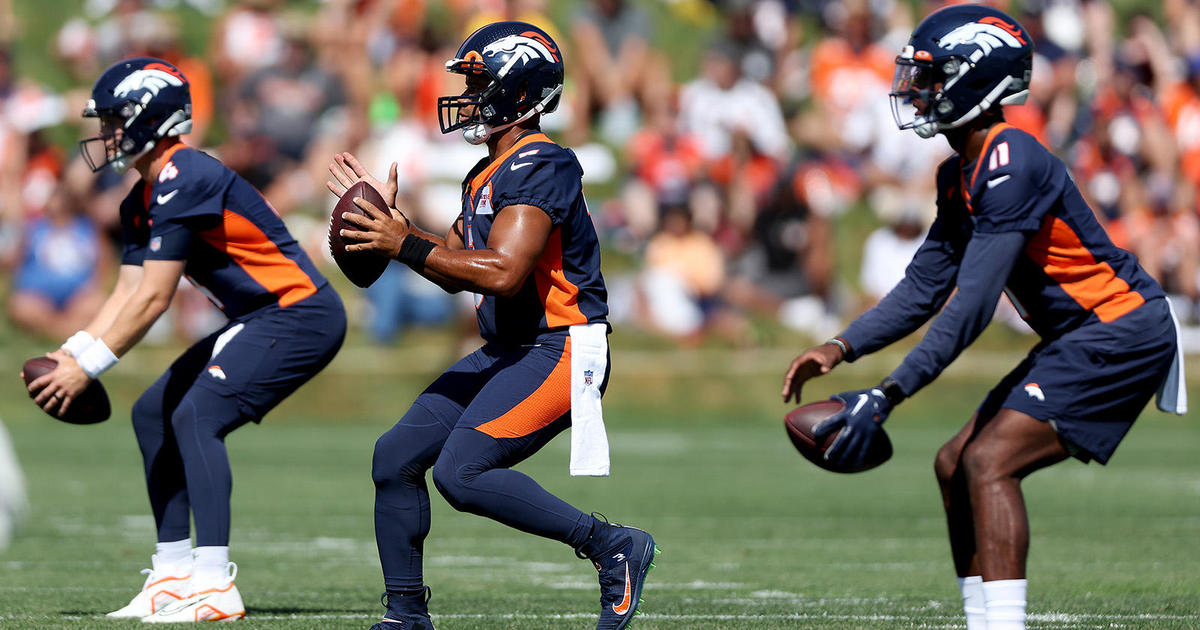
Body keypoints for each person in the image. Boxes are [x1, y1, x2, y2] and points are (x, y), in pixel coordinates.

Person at [781, 6, 1185, 630]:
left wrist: (889, 394)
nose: (917, 90)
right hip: (1081, 333)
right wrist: (840, 347)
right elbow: (923, 288)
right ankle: (982, 620)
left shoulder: (1010, 159)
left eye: (932, 76)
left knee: (988, 461)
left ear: (976, 79)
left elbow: (969, 307)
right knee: (954, 462)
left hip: (1120, 327)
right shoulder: (959, 174)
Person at [326, 22, 658, 630]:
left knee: (462, 472)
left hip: (562, 345)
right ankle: (405, 617)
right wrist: (392, 229)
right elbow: (454, 269)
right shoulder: (484, 173)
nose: (466, 96)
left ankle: (611, 544)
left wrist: (405, 244)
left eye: (479, 83)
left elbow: (503, 272)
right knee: (394, 456)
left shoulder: (542, 163)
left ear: (517, 91)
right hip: (511, 347)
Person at [24, 57, 346, 623]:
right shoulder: (139, 198)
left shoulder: (187, 173)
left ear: (151, 119)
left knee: (196, 416)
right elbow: (124, 292)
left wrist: (89, 366)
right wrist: (73, 351)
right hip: (259, 315)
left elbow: (154, 297)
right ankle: (172, 575)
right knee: (154, 413)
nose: (105, 135)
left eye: (115, 120)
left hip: (298, 312)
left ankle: (215, 582)